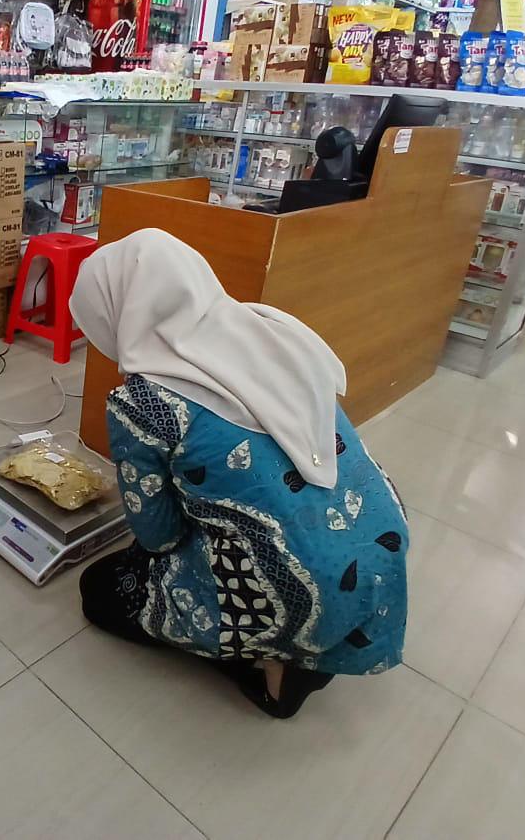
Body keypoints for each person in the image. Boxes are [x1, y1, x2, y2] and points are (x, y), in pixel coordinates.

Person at [68, 229, 408, 719]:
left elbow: (158, 536)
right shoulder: (273, 328)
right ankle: (308, 643)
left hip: (302, 587)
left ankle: (270, 663)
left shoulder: (145, 404)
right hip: (379, 547)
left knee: (101, 589)